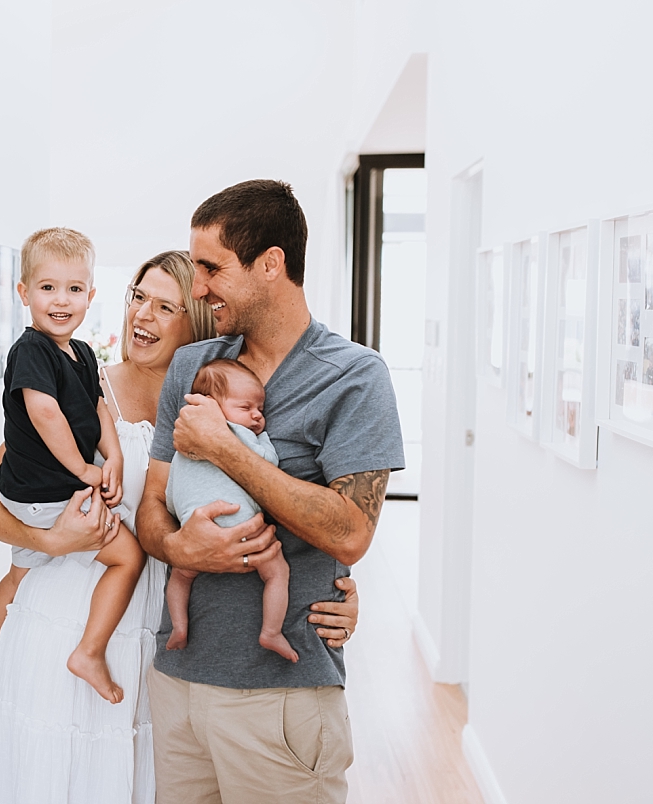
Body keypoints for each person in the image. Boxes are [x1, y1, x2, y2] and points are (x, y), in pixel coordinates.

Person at [0, 250, 362, 804]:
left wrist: (337, 591)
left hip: (163, 640)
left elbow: (273, 504)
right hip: (69, 624)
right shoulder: (84, 388)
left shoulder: (227, 407)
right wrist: (49, 540)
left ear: (194, 323)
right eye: (137, 297)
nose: (141, 315)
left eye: (165, 306)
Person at [137, 180, 404, 804]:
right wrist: (178, 549)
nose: (198, 288)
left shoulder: (355, 377)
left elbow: (350, 534)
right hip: (178, 684)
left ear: (271, 264)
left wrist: (226, 447)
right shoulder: (193, 368)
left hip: (284, 697)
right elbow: (153, 502)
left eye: (212, 269)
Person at [0, 227, 144, 704]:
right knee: (128, 558)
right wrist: (85, 471)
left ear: (91, 295)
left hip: (34, 493)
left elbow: (98, 408)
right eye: (48, 287)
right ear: (24, 292)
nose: (62, 300)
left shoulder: (83, 353)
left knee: (19, 575)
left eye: (74, 288)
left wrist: (114, 455)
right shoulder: (31, 350)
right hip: (42, 495)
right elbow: (45, 412)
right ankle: (89, 652)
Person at [164, 358, 296, 663]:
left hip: (193, 529)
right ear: (211, 407)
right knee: (277, 572)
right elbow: (268, 464)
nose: (256, 415)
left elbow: (170, 495)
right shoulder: (236, 433)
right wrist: (262, 439)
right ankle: (271, 631)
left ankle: (179, 627)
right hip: (241, 526)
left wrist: (184, 518)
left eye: (260, 408)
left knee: (181, 576)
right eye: (245, 407)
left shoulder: (182, 448)